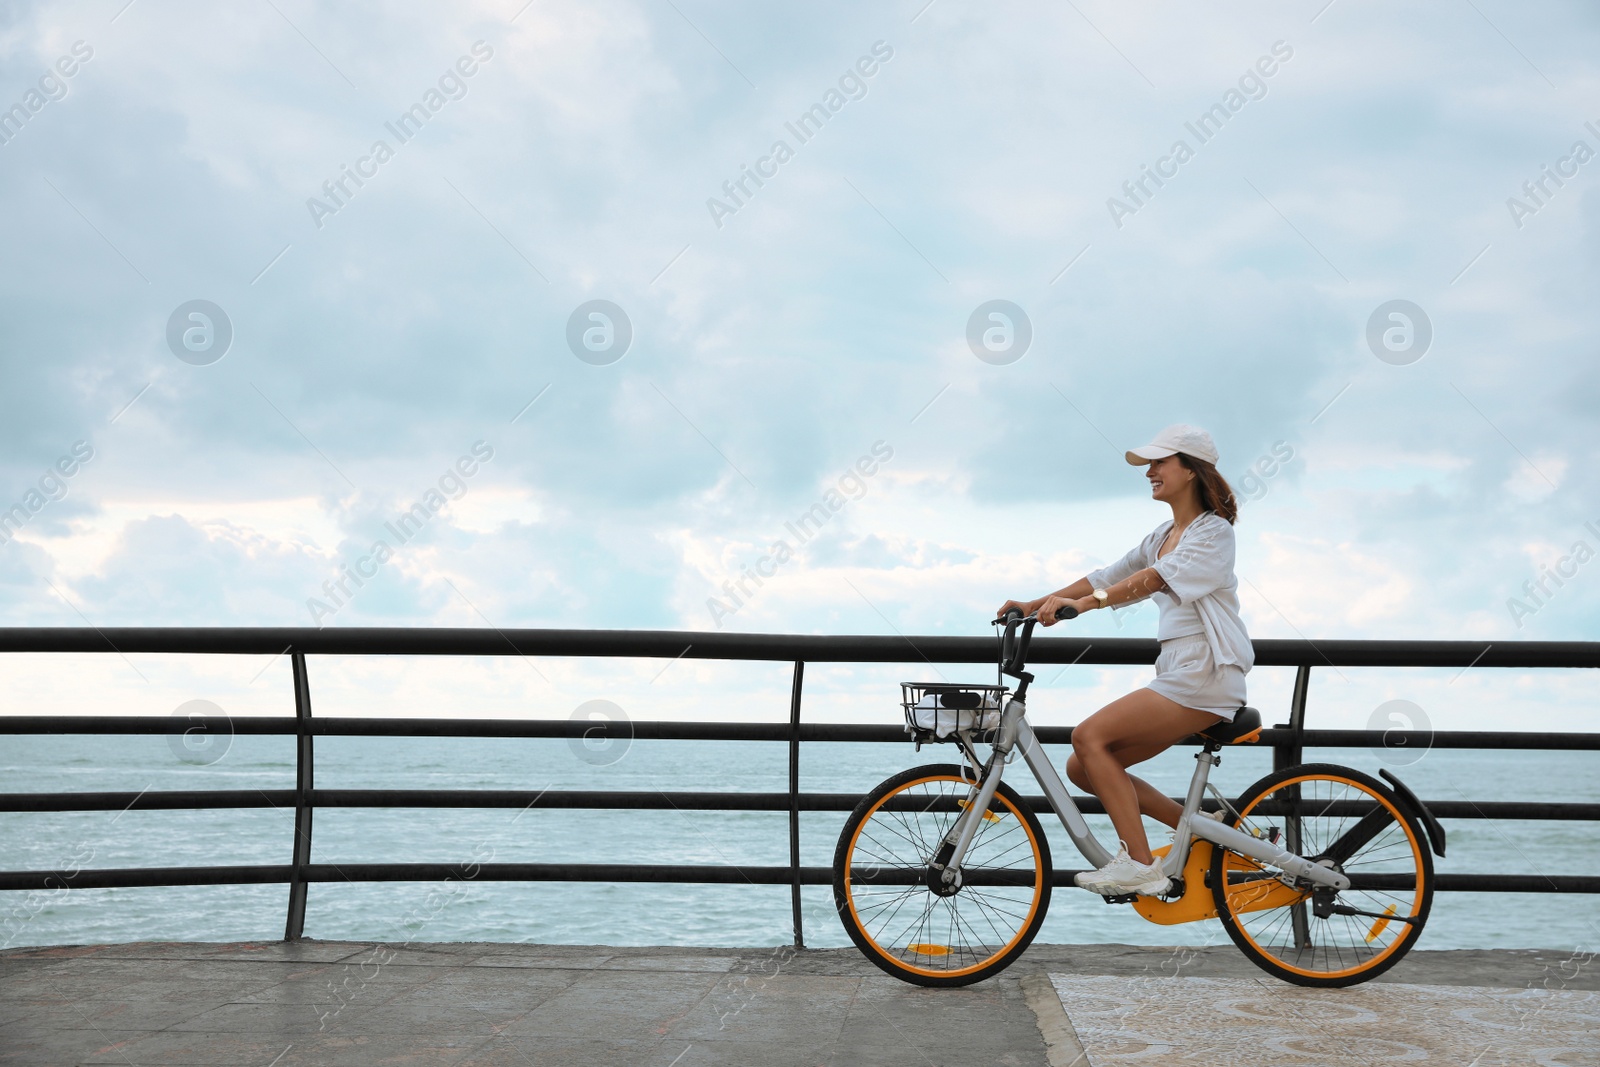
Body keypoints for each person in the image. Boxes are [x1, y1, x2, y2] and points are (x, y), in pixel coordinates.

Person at [995, 424, 1252, 897]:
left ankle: (1139, 863)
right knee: (1083, 767)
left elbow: (1153, 580)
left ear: (1191, 471)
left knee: (1088, 737)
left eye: (1160, 463)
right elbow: (1107, 575)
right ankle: (1203, 826)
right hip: (1181, 672)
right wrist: (1035, 604)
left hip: (1206, 673)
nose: (1150, 472)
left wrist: (1088, 605)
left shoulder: (1212, 533)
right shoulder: (1162, 534)